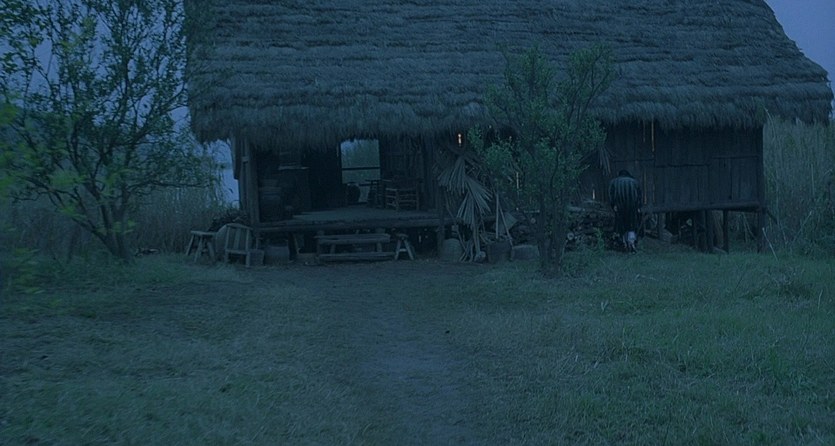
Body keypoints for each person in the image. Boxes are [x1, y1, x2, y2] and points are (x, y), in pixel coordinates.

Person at [609, 169, 642, 252]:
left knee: (621, 225)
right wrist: (638, 207)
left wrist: (613, 205)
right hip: (632, 207)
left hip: (619, 206)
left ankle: (624, 244)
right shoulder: (634, 182)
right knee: (631, 225)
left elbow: (611, 196)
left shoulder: (614, 182)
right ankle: (631, 243)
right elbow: (639, 196)